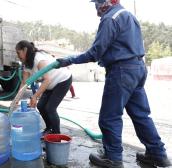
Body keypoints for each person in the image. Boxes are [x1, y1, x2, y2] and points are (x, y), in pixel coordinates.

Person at [57, 0, 171, 168]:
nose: (96, 8)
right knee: (141, 115)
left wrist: (69, 60)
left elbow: (95, 53)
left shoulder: (110, 18)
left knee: (109, 117)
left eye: (97, 3)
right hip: (138, 68)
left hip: (121, 70)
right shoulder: (128, 15)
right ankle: (158, 154)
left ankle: (113, 158)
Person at [16, 40, 72, 135]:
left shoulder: (38, 59)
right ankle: (49, 128)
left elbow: (47, 79)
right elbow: (24, 82)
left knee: (50, 108)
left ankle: (56, 135)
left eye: (18, 53)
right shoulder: (26, 64)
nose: (18, 56)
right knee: (41, 106)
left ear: (25, 50)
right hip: (50, 84)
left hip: (62, 80)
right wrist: (16, 99)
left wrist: (35, 96)